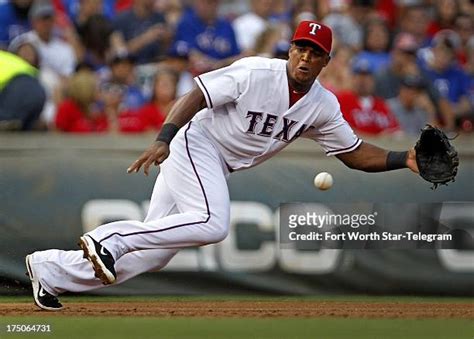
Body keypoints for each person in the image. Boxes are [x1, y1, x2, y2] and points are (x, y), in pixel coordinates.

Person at [25, 21, 420, 311]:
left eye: (314, 52)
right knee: (212, 222)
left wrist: (404, 158)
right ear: (289, 50)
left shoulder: (322, 106)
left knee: (157, 252)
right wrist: (164, 137)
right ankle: (110, 240)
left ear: (325, 62)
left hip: (215, 162)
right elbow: (197, 93)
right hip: (195, 143)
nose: (305, 56)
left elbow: (353, 153)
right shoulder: (255, 72)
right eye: (300, 47)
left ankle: (51, 270)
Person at [0, 50, 45, 131]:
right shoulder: (6, 56)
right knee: (24, 126)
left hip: (17, 88)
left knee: (5, 121)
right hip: (38, 88)